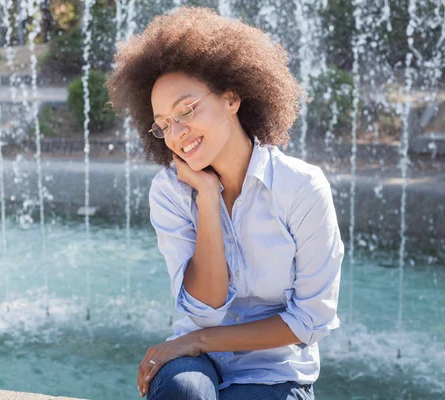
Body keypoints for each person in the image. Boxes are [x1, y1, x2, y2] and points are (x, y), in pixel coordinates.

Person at [106, 6, 344, 400]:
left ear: (231, 98)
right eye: (163, 123)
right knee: (183, 391)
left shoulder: (301, 188)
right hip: (196, 364)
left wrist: (198, 340)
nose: (177, 133)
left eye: (186, 110)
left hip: (276, 372)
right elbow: (204, 308)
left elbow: (310, 320)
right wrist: (207, 197)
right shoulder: (171, 191)